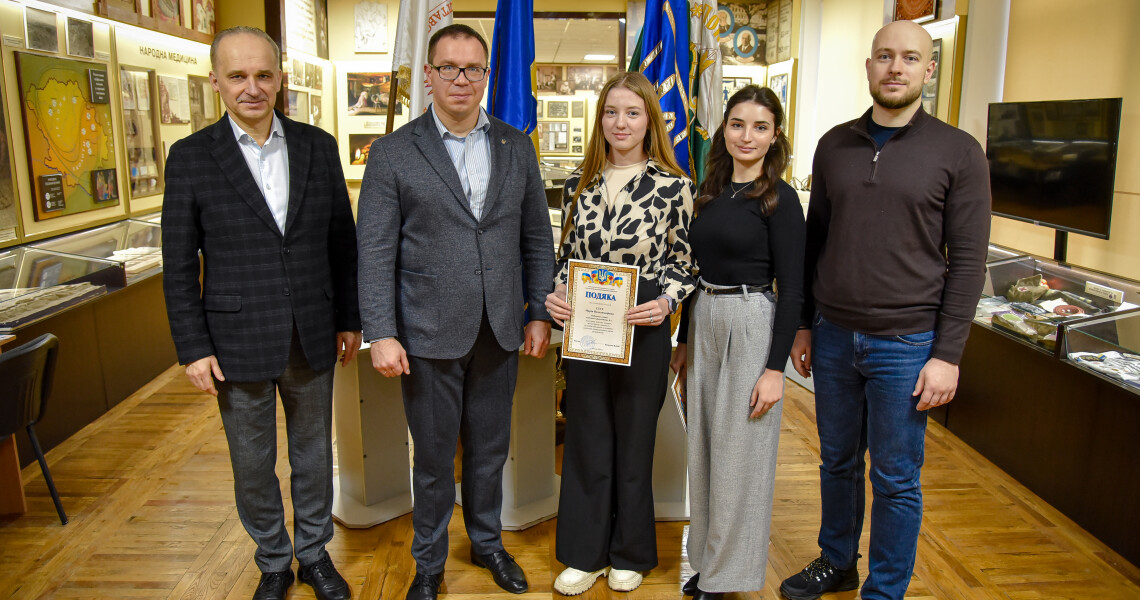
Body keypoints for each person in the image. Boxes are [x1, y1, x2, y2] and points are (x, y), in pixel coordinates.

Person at [778, 20, 990, 600]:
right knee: (837, 462)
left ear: (929, 69)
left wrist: (947, 355)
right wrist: (803, 323)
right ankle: (837, 561)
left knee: (895, 477)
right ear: (869, 65)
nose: (896, 67)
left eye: (910, 58)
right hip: (832, 336)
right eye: (885, 56)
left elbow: (968, 262)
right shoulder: (834, 145)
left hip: (908, 344)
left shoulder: (959, 152)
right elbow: (816, 242)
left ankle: (885, 589)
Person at [355, 24, 555, 600]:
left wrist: (539, 312)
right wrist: (381, 332)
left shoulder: (516, 146)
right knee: (434, 460)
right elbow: (375, 251)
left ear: (487, 75)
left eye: (473, 68)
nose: (461, 79)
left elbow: (536, 238)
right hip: (426, 333)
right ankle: (429, 563)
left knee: (490, 453)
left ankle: (487, 543)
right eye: (448, 67)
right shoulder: (393, 152)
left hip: (501, 329)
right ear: (428, 74)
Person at [161, 26, 360, 600]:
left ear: (280, 79)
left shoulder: (318, 146)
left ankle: (314, 554)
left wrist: (350, 319)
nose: (252, 87)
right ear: (215, 81)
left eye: (263, 75)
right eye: (238, 76)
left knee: (314, 457)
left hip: (312, 332)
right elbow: (179, 263)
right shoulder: (191, 157)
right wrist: (193, 348)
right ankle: (273, 561)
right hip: (235, 340)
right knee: (252, 462)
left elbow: (341, 245)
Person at [544, 71, 695, 596]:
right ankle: (584, 554)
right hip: (586, 329)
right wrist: (556, 290)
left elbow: (685, 263)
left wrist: (666, 301)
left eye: (632, 112)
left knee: (634, 442)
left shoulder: (674, 186)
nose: (621, 122)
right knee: (587, 439)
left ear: (649, 120)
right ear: (600, 120)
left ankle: (629, 553)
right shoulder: (578, 184)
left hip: (643, 328)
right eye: (611, 112)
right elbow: (564, 257)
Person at [669, 85, 804, 600]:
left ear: (775, 136)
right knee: (705, 450)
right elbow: (696, 271)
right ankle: (707, 563)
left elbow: (793, 289)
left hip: (750, 321)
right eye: (738, 124)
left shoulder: (779, 200)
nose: (747, 136)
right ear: (724, 129)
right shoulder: (710, 191)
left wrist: (774, 370)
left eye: (760, 127)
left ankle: (729, 576)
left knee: (738, 456)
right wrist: (684, 340)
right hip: (705, 314)